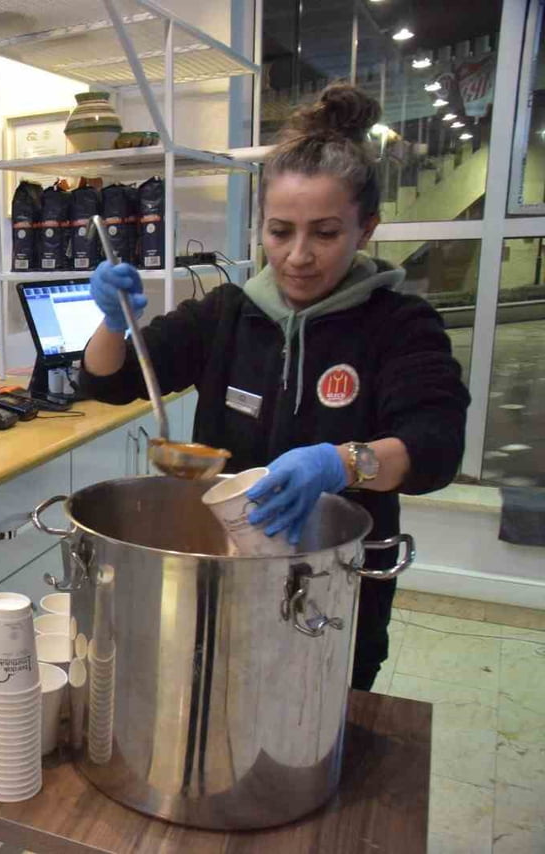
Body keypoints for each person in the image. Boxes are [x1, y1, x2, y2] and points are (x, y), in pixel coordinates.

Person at [80, 84, 470, 690]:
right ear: (260, 227)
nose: (298, 256)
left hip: (332, 587)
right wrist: (110, 320)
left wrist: (342, 463)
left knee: (316, 736)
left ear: (366, 229)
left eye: (325, 233)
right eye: (280, 231)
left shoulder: (398, 325)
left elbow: (436, 446)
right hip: (222, 578)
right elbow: (112, 380)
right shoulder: (230, 314)